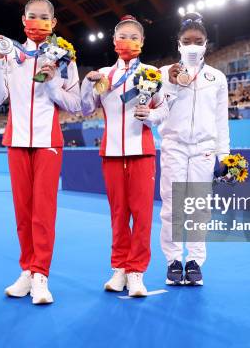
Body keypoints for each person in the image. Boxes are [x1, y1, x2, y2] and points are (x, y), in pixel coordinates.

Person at [0, 0, 81, 305]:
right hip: (16, 139)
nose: (37, 22)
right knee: (23, 213)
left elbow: (75, 103)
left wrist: (53, 82)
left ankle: (41, 275)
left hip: (47, 141)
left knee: (43, 212)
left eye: (44, 18)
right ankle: (26, 269)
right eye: (32, 16)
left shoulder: (64, 57)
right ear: (23, 21)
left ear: (53, 23)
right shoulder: (11, 54)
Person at [81, 15, 168, 297]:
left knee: (142, 216)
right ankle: (119, 268)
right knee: (118, 215)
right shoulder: (104, 74)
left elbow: (163, 110)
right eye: (122, 36)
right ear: (114, 41)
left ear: (142, 42)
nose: (127, 41)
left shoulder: (152, 74)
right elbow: (85, 108)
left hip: (142, 152)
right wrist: (87, 82)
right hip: (112, 153)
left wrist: (151, 115)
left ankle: (136, 272)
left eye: (134, 37)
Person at [158, 12, 230, 286]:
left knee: (200, 207)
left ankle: (195, 261)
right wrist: (171, 85)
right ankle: (173, 260)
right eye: (186, 41)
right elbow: (158, 113)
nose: (192, 45)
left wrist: (224, 156)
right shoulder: (165, 73)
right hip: (174, 146)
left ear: (206, 43)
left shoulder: (217, 78)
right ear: (178, 44)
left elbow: (221, 120)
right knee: (172, 207)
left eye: (197, 40)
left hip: (203, 149)